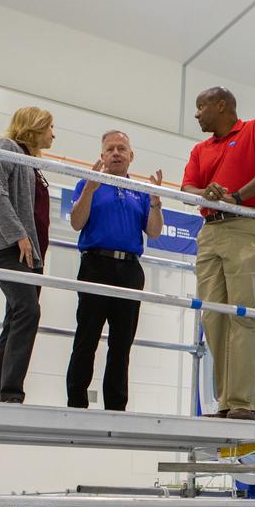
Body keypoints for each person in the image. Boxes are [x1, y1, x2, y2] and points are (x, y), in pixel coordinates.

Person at [182, 87, 255, 421]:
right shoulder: (200, 149)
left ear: (221, 105)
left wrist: (238, 197)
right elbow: (187, 188)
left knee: (241, 313)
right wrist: (207, 192)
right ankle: (226, 402)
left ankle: (242, 402)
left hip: (247, 225)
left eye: (201, 107)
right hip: (211, 231)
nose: (196, 114)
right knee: (213, 316)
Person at [65, 131, 165, 411]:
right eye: (110, 149)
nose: (116, 153)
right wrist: (89, 190)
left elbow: (154, 232)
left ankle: (116, 407)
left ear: (131, 156)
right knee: (87, 337)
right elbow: (76, 223)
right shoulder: (88, 183)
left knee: (122, 343)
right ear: (102, 156)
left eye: (121, 148)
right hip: (95, 265)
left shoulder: (141, 191)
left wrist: (156, 201)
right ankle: (76, 402)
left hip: (130, 269)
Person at [0, 106, 55, 403]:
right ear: (35, 127)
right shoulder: (6, 148)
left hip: (29, 255)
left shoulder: (31, 162)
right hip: (7, 248)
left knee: (14, 317)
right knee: (28, 310)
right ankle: (11, 393)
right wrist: (18, 235)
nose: (53, 134)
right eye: (49, 127)